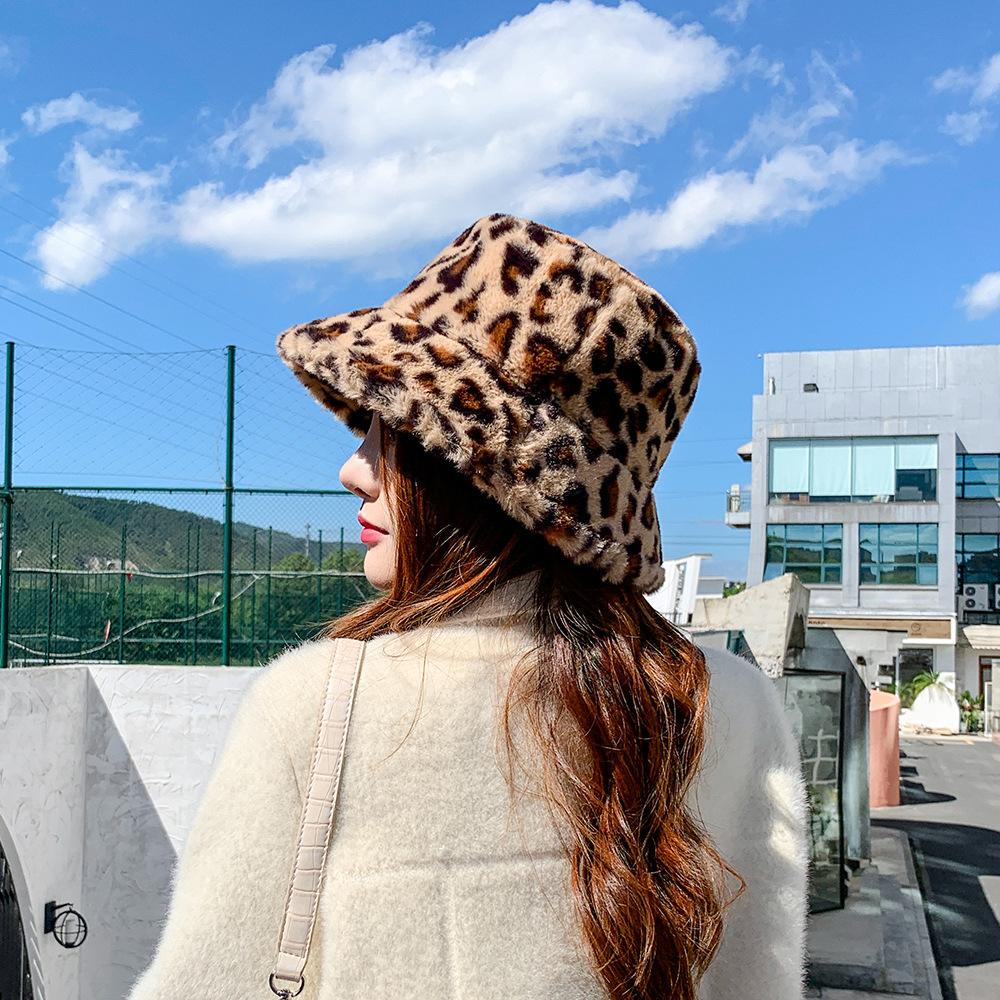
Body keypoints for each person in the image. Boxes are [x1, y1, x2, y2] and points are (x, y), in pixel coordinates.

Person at [126, 214, 808, 1000]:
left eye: (390, 431)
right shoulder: (729, 704)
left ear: (472, 472)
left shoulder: (316, 706)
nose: (354, 469)